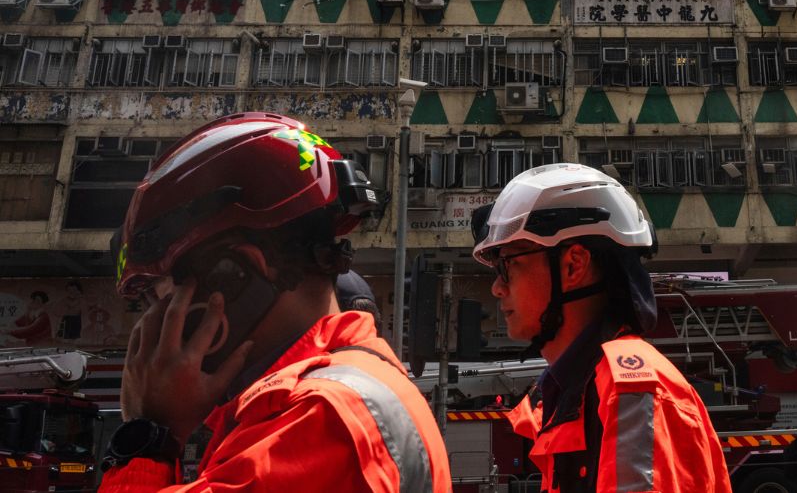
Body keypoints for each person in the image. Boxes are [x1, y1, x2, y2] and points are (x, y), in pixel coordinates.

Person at [100, 113, 451, 493]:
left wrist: (149, 437)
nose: (152, 323)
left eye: (161, 295)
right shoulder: (326, 395)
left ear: (233, 274)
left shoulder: (319, 419)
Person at [472, 163, 732, 493]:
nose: (497, 288)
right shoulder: (579, 389)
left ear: (573, 265)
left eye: (508, 265)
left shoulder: (630, 392)